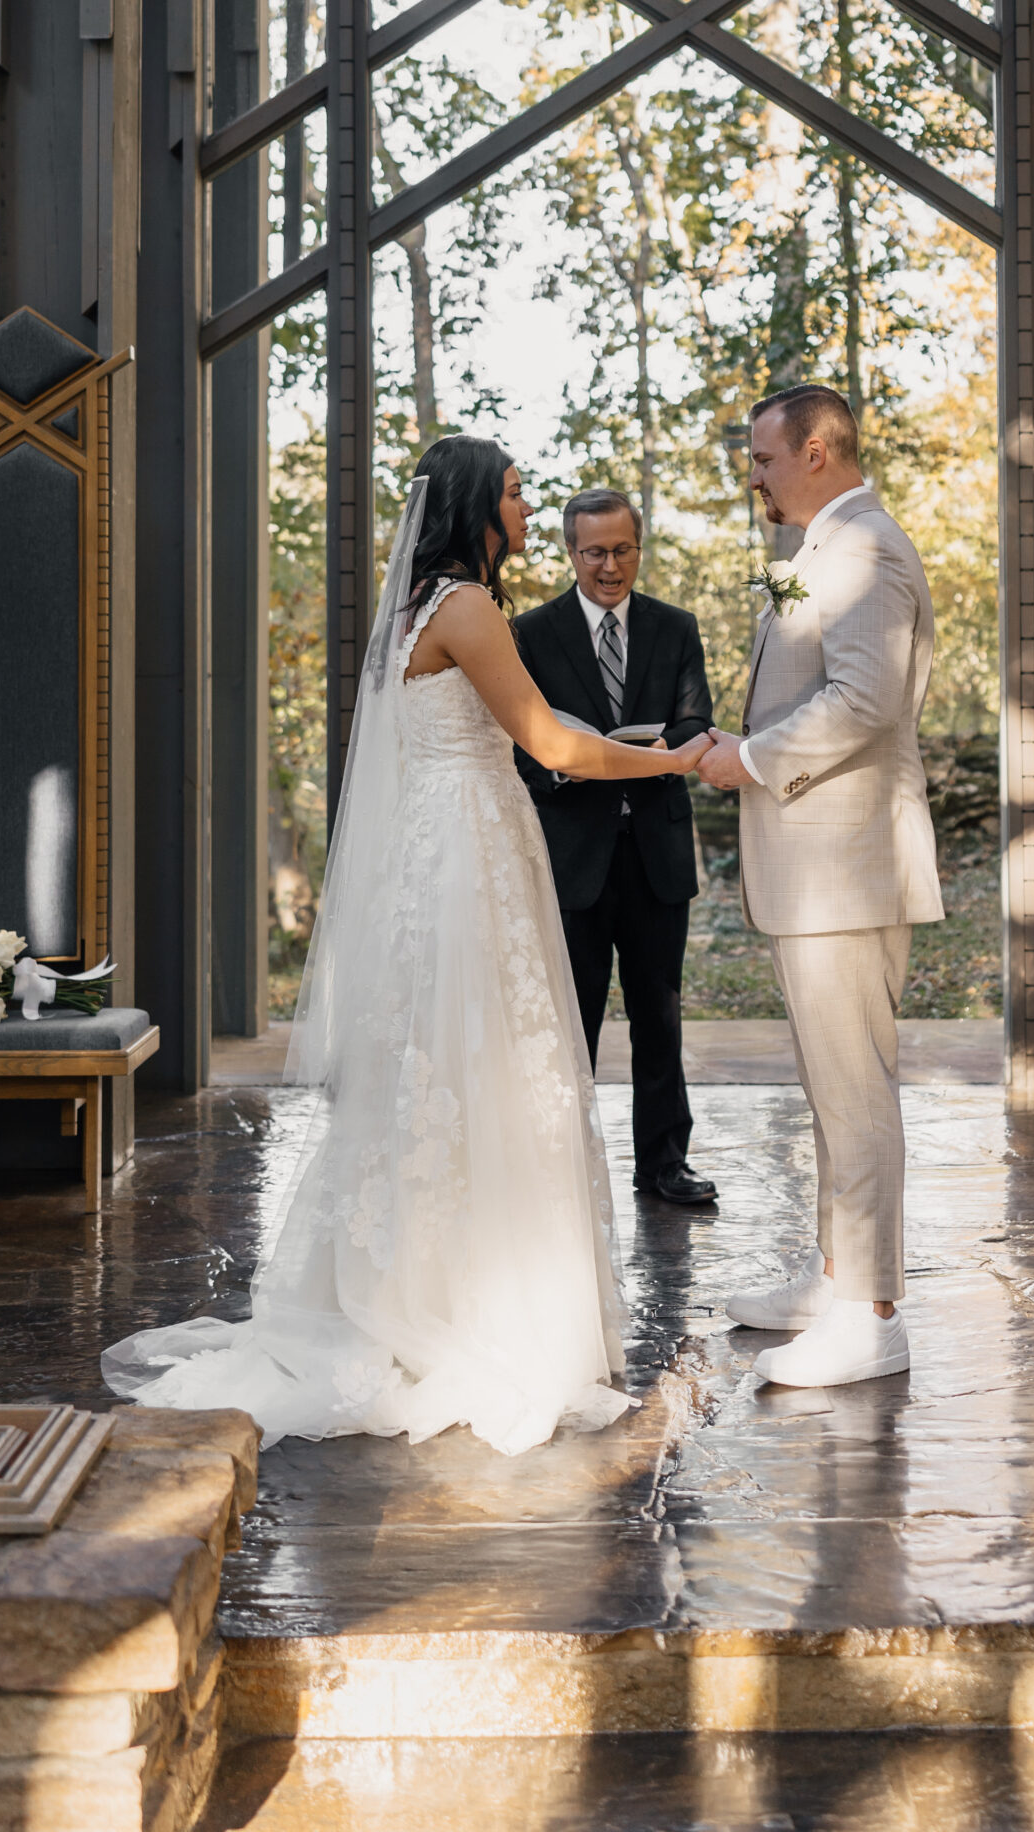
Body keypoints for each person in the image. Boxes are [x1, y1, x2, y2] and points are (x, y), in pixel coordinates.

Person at [102, 438, 712, 1457]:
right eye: (516, 494)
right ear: (478, 505)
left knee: (449, 1069)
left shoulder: (420, 606)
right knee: (490, 1067)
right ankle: (479, 1311)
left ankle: (429, 1279)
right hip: (470, 852)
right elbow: (550, 742)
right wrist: (671, 755)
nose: (525, 510)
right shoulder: (468, 607)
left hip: (452, 848)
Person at [699, 385, 942, 1389]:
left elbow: (865, 701)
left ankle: (871, 1316)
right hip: (818, 875)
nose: (752, 477)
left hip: (849, 868)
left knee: (856, 1094)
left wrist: (749, 759)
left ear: (818, 450)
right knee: (829, 1092)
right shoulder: (824, 551)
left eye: (763, 459)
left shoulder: (866, 551)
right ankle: (834, 1275)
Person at [515, 489, 716, 1209]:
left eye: (622, 549)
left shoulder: (674, 627)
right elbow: (516, 741)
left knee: (658, 1019)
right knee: (572, 1024)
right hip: (572, 857)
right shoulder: (530, 634)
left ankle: (664, 1165)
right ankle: (563, 1167)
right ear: (571, 552)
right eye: (594, 551)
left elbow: (698, 716)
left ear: (639, 546)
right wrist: (562, 763)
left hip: (655, 854)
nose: (609, 565)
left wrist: (670, 742)